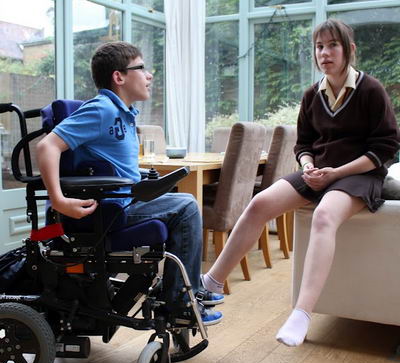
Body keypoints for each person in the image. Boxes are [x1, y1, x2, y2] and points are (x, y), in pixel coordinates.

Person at [201, 18, 400, 344]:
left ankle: (302, 313)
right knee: (259, 203)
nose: (325, 53)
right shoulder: (312, 95)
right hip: (319, 172)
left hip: (360, 175)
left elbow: (385, 147)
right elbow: (304, 144)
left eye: (332, 45)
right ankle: (211, 284)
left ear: (349, 49)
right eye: (319, 47)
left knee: (324, 216)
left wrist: (336, 173)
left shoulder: (370, 90)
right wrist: (308, 165)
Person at [36, 41, 224, 325]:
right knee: (186, 207)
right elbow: (46, 147)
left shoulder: (123, 114)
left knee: (183, 202)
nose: (149, 75)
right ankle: (181, 303)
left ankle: (184, 290)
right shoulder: (102, 110)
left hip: (125, 201)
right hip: (109, 210)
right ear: (119, 77)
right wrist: (59, 200)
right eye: (142, 68)